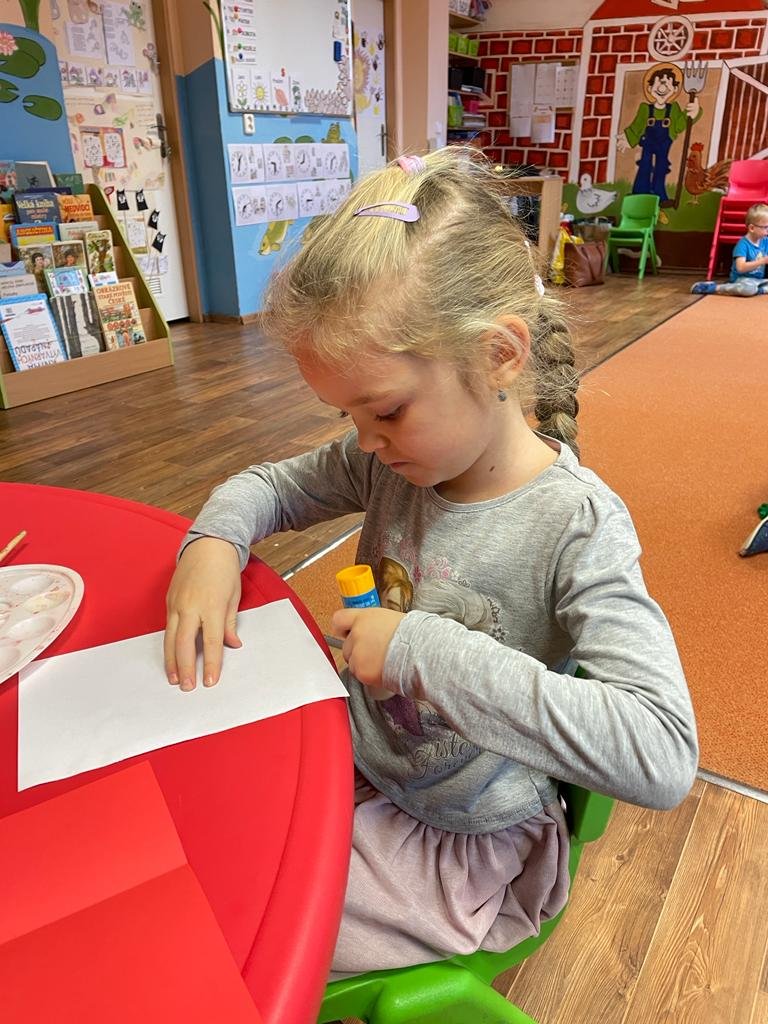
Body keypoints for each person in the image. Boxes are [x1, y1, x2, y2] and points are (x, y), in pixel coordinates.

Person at [163, 148, 698, 977]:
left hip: (465, 840)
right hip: (352, 763)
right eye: (346, 416)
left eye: (385, 411)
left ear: (500, 356)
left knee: (234, 927)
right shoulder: (388, 462)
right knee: (193, 825)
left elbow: (660, 754)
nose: (364, 442)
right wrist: (212, 545)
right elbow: (267, 485)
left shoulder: (577, 524)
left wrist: (420, 650)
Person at [617, 62, 702, 204]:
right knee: (645, 165)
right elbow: (637, 125)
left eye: (667, 86)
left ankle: (659, 194)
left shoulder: (673, 108)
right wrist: (627, 138)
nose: (662, 89)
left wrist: (692, 112)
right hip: (648, 143)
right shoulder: (645, 108)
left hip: (664, 144)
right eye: (658, 85)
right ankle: (640, 192)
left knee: (661, 167)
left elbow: (679, 125)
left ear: (675, 89)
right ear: (650, 88)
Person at [691, 203, 768, 296]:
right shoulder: (743, 245)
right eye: (766, 227)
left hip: (758, 280)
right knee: (748, 289)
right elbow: (741, 268)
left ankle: (758, 290)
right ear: (752, 228)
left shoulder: (765, 241)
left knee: (753, 288)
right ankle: (713, 288)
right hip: (741, 280)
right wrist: (761, 261)